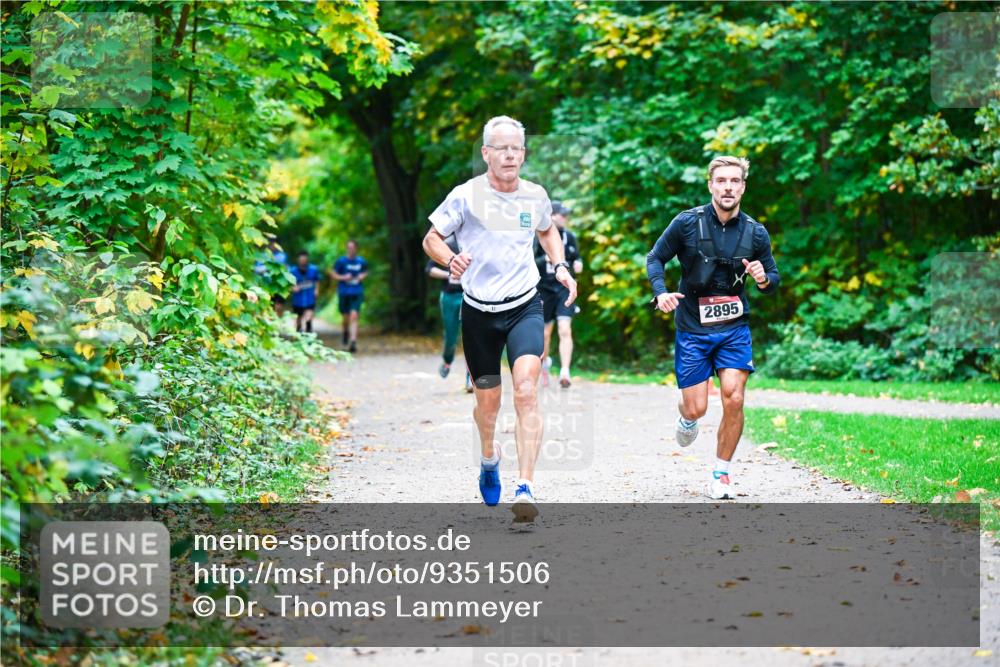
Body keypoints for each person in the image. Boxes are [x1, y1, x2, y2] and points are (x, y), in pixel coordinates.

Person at [422, 115, 577, 522]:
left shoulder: (535, 195)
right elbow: (431, 238)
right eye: (501, 148)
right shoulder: (466, 196)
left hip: (524, 305)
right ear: (486, 153)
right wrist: (451, 259)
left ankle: (525, 486)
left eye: (516, 148)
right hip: (478, 311)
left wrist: (559, 266)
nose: (509, 155)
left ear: (523, 155)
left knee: (526, 388)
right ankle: (489, 458)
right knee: (487, 404)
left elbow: (547, 233)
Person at [646, 156, 780, 500]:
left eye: (735, 181)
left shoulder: (755, 232)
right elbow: (655, 258)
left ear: (743, 187)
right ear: (710, 185)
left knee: (734, 397)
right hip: (692, 327)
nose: (728, 187)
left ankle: (721, 474)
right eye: (721, 181)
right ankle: (687, 419)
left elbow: (773, 278)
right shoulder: (687, 223)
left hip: (734, 327)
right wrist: (660, 293)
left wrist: (763, 280)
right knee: (696, 407)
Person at [534, 201, 583, 388]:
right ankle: (544, 365)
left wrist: (578, 263)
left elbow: (576, 256)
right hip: (544, 289)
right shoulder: (540, 235)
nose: (565, 218)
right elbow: (530, 260)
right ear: (552, 216)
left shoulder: (570, 237)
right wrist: (544, 259)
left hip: (563, 289)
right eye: (562, 215)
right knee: (545, 333)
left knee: (565, 329)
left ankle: (565, 371)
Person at [426, 234, 474, 392]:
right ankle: (447, 360)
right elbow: (430, 269)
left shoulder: (474, 241)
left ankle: (470, 377)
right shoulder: (447, 244)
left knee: (471, 336)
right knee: (451, 335)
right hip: (449, 297)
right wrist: (449, 274)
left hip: (470, 295)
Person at [330, 240, 368, 353]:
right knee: (346, 318)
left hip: (357, 292)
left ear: (356, 248)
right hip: (344, 292)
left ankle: (353, 342)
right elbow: (333, 274)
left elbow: (366, 272)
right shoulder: (341, 261)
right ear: (347, 248)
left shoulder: (361, 261)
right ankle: (345, 332)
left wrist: (362, 276)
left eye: (353, 247)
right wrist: (343, 277)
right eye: (349, 248)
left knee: (354, 315)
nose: (351, 250)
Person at [253, 235, 289, 316]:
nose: (272, 245)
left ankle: (278, 323)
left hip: (279, 286)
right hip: (265, 285)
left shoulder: (282, 256)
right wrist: (268, 268)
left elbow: (283, 269)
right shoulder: (262, 255)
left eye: (274, 243)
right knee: (266, 306)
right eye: (270, 243)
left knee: (278, 306)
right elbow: (256, 269)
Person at [290, 250, 321, 334]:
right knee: (298, 320)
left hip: (310, 297)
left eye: (305, 260)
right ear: (298, 260)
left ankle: (308, 332)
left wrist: (316, 290)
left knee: (308, 317)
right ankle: (298, 335)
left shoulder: (313, 269)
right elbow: (288, 284)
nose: (303, 262)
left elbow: (317, 280)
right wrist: (293, 287)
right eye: (301, 260)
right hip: (298, 300)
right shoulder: (292, 271)